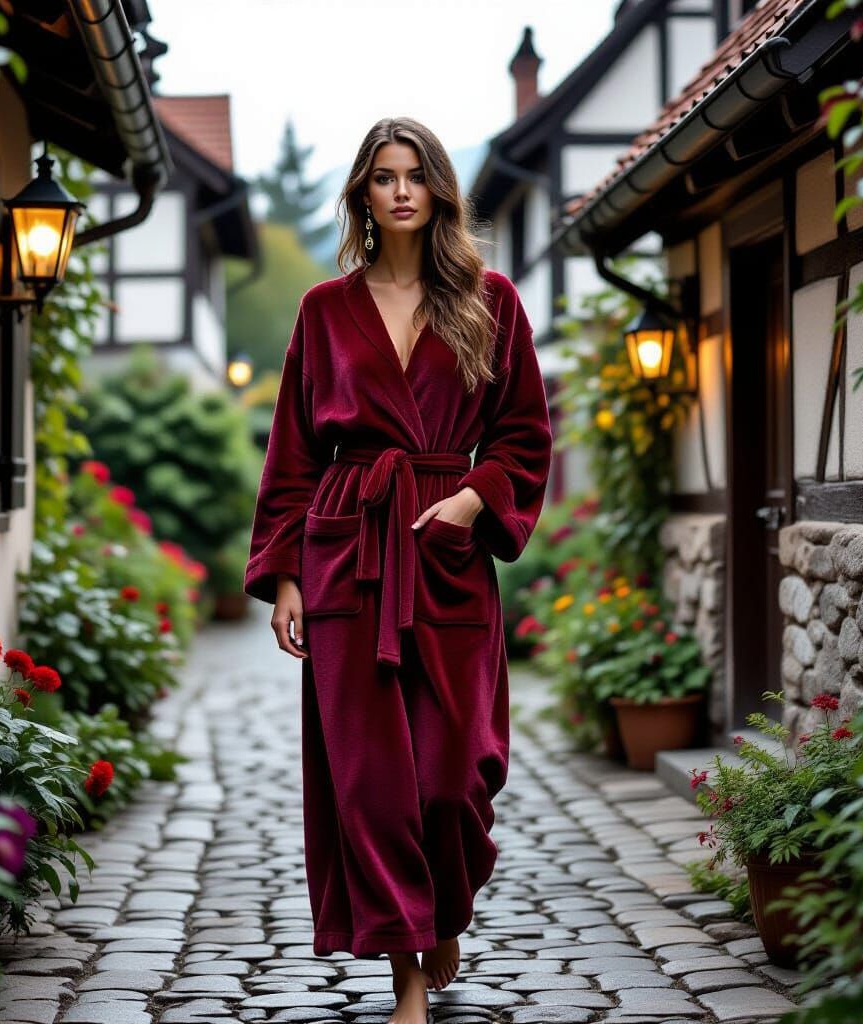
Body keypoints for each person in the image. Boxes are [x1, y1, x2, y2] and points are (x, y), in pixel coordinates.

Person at [243, 116, 553, 1024]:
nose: (403, 190)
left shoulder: (490, 300)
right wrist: (287, 573)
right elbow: (293, 452)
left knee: (454, 780)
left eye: (417, 175)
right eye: (384, 177)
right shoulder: (322, 311)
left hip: (447, 553)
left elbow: (526, 431)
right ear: (363, 196)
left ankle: (442, 907)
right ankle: (405, 974)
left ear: (440, 190)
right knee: (373, 786)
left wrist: (472, 499)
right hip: (348, 555)